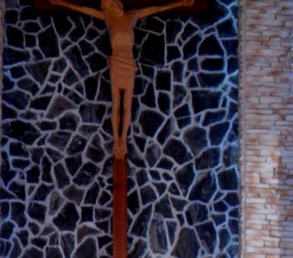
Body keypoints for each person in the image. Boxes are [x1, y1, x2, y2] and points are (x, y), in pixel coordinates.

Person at [50, 0, 195, 158]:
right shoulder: (109, 19)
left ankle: (123, 140)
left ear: (118, 4)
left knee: (126, 103)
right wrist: (62, 2)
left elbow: (157, 8)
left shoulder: (132, 16)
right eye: (109, 5)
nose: (112, 7)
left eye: (113, 3)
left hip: (129, 63)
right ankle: (116, 141)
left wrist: (180, 3)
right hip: (116, 63)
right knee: (117, 101)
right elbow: (84, 9)